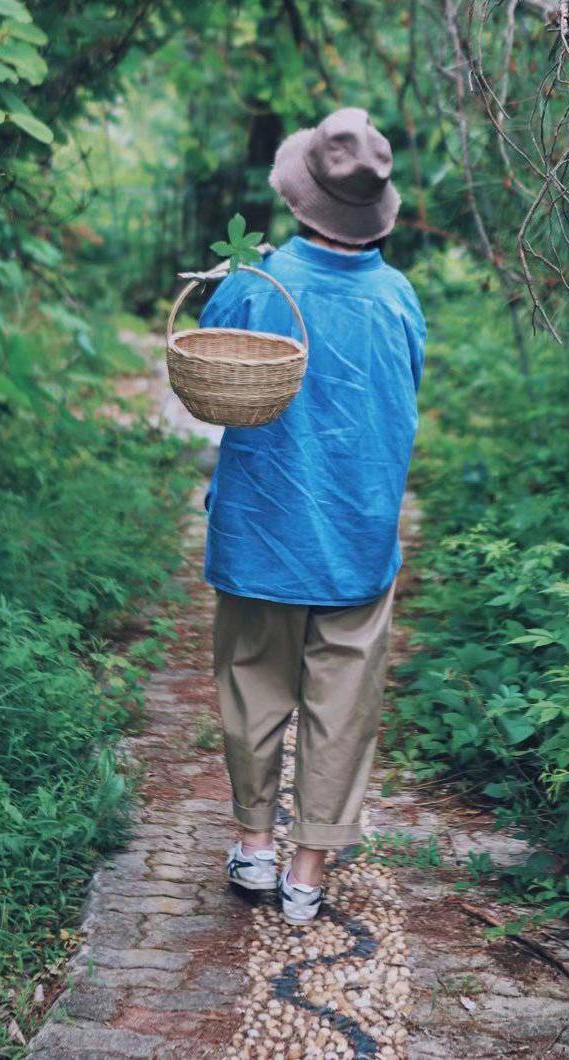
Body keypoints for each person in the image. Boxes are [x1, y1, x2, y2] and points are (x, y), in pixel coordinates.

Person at [199, 107, 425, 925]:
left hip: (261, 527)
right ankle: (308, 870)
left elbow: (211, 364)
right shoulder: (398, 298)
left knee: (254, 684)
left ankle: (254, 847)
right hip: (360, 532)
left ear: (301, 200)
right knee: (344, 698)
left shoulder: (257, 285)